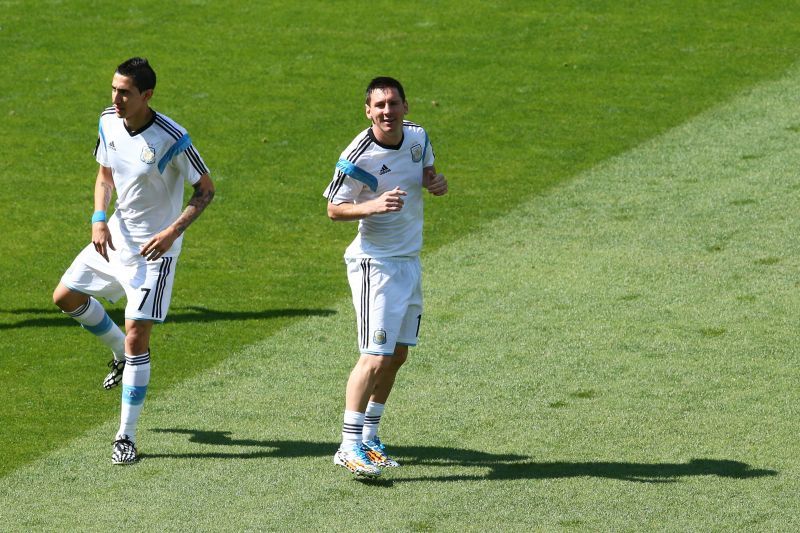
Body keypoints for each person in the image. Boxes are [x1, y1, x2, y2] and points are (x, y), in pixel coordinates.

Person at [52, 57, 215, 465]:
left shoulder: (171, 138)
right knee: (64, 296)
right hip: (115, 239)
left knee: (137, 334)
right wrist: (98, 219)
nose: (116, 97)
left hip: (154, 256)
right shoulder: (108, 120)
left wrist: (171, 232)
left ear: (147, 95)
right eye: (113, 89)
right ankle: (119, 356)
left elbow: (206, 191)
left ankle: (125, 435)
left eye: (124, 91)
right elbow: (105, 176)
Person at [323, 77, 448, 477]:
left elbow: (426, 169)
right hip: (373, 264)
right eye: (379, 106)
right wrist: (374, 205)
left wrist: (434, 182)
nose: (387, 112)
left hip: (409, 261)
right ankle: (347, 445)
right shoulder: (357, 155)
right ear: (368, 111)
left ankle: (370, 436)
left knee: (397, 355)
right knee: (374, 356)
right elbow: (333, 209)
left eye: (393, 103)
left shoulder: (418, 137)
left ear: (405, 106)